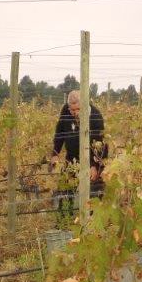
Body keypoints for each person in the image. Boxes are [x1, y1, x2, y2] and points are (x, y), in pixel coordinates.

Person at [51, 90, 108, 223]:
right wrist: (55, 153)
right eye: (72, 110)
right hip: (72, 158)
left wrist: (94, 166)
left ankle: (93, 222)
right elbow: (60, 133)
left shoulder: (96, 116)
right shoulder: (66, 111)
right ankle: (64, 220)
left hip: (92, 159)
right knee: (65, 188)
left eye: (78, 109)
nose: (74, 113)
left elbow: (100, 144)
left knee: (94, 191)